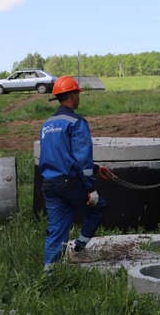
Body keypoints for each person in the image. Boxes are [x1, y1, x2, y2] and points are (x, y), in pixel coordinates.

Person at [39, 75, 114, 272]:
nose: (79, 97)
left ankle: (48, 273)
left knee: (57, 228)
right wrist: (91, 187)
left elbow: (58, 154)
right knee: (98, 207)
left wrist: (97, 169)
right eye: (78, 94)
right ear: (72, 95)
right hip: (69, 182)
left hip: (49, 183)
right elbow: (81, 158)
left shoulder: (48, 124)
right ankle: (79, 249)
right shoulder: (76, 122)